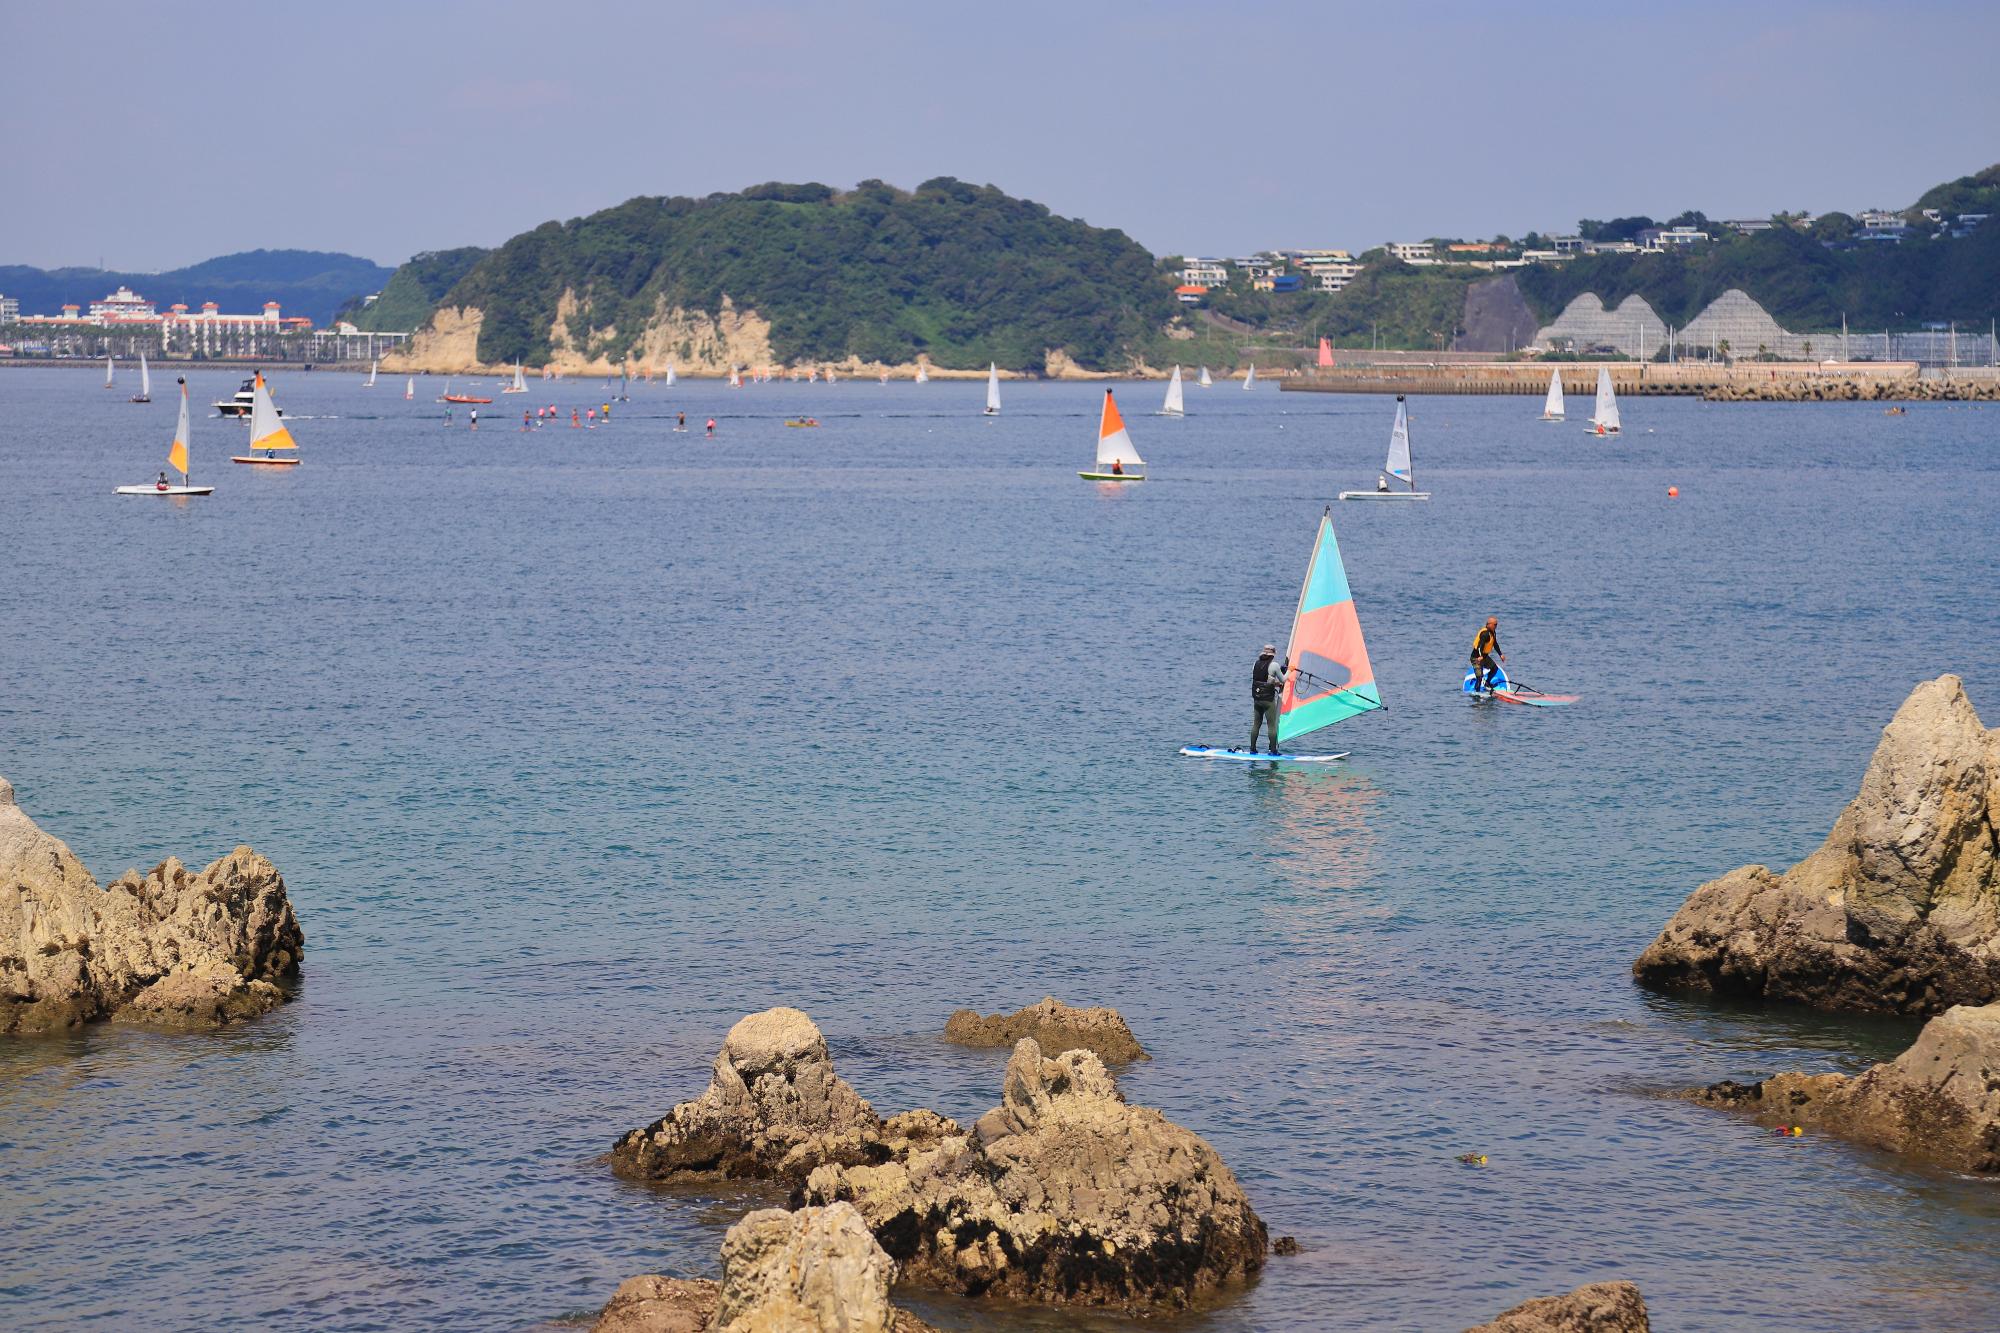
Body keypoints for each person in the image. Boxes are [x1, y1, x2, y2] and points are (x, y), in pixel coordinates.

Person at [1249, 644, 1286, 755]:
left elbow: (1264, 680)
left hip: (1257, 698)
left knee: (1256, 724)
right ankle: (1273, 750)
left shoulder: (1255, 664)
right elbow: (1284, 680)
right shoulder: (1274, 665)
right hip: (1268, 700)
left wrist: (1276, 683)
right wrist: (1290, 671)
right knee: (1272, 725)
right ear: (1272, 655)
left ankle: (1252, 749)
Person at [1471, 617, 1504, 693]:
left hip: (1484, 656)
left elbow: (1495, 644)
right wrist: (1480, 656)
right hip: (1476, 657)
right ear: (1489, 624)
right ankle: (1477, 693)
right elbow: (1479, 647)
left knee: (1494, 668)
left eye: (1497, 624)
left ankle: (1487, 683)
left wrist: (1500, 654)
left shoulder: (1492, 632)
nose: (1496, 626)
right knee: (1479, 678)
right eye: (1495, 625)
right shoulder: (1485, 634)